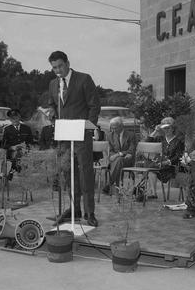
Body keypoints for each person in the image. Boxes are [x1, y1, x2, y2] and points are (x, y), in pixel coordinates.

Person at [48, 50, 101, 227]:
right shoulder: (53, 84)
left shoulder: (84, 79)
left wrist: (89, 127)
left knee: (85, 174)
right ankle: (74, 209)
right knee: (68, 173)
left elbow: (94, 105)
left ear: (68, 63)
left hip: (81, 135)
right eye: (54, 67)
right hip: (64, 136)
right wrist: (52, 115)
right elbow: (53, 105)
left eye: (60, 66)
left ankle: (89, 212)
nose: (58, 70)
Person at [146, 117, 185, 199]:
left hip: (171, 167)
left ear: (173, 129)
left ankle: (151, 192)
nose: (166, 130)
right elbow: (147, 142)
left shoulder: (178, 141)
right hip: (158, 166)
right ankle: (153, 193)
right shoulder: (160, 139)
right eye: (164, 128)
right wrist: (156, 131)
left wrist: (168, 162)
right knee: (151, 170)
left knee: (151, 167)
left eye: (168, 128)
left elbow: (178, 156)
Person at [102, 117, 137, 193]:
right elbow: (110, 150)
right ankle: (114, 185)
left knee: (119, 159)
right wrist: (114, 156)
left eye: (115, 128)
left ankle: (109, 183)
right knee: (118, 160)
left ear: (121, 126)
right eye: (112, 128)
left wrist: (119, 154)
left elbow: (131, 150)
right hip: (114, 160)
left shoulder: (131, 135)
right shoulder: (109, 135)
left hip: (128, 160)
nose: (114, 130)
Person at [2, 109, 33, 176]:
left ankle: (20, 172)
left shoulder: (26, 128)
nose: (15, 120)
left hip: (25, 152)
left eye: (16, 118)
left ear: (19, 117)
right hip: (12, 153)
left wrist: (26, 147)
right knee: (15, 156)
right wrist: (12, 147)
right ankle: (14, 172)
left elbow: (31, 142)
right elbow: (4, 145)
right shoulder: (7, 129)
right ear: (10, 119)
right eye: (12, 118)